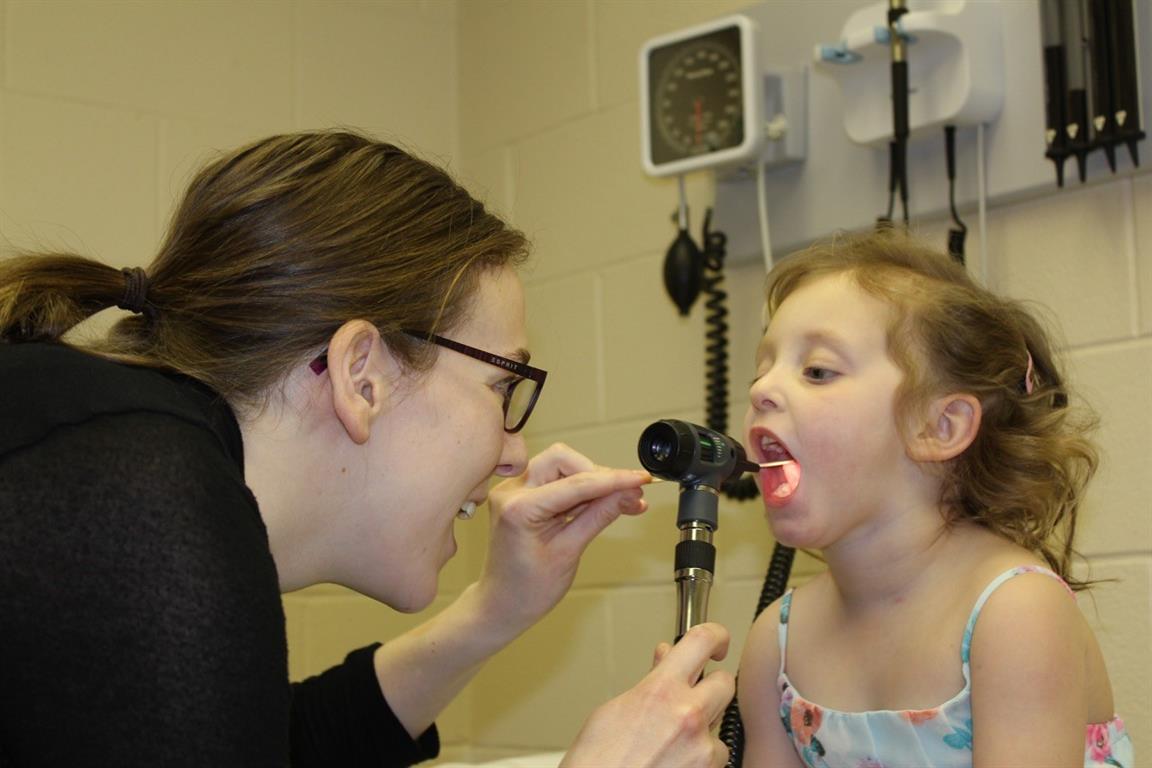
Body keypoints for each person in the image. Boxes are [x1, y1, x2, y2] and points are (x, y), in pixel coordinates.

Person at [0, 130, 735, 767]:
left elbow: (255, 740)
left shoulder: (122, 457)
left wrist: (495, 610)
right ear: (362, 375)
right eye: (501, 389)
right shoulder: (140, 501)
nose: (514, 453)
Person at [737, 230, 1134, 768]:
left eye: (818, 371)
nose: (761, 391)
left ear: (941, 426)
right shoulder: (775, 647)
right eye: (762, 370)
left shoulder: (1012, 614)